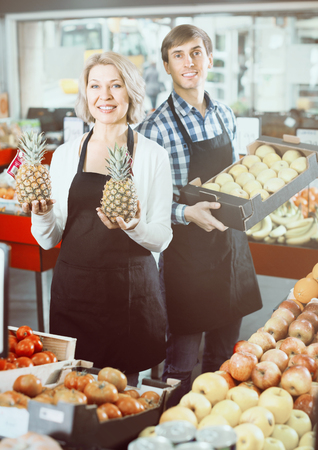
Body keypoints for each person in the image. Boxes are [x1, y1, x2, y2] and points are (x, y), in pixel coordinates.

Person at [22, 51, 173, 386]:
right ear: (86, 94)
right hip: (75, 294)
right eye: (95, 86)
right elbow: (48, 238)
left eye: (115, 85)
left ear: (130, 92)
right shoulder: (64, 155)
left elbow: (162, 237)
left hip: (130, 295)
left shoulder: (152, 155)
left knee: (123, 397)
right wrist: (43, 214)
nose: (104, 96)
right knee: (70, 391)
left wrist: (134, 225)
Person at [137, 24, 263, 403]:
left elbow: (232, 180)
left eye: (195, 52)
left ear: (209, 58)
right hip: (187, 259)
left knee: (225, 361)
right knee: (180, 366)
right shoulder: (153, 128)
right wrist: (185, 211)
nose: (188, 62)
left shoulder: (225, 114)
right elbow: (147, 205)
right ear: (166, 65)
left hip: (231, 253)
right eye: (178, 55)